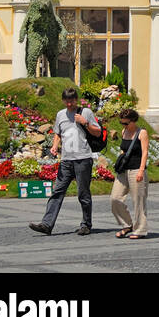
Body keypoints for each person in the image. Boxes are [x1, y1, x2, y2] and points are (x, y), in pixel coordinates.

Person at [29, 86, 98, 234]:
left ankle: (86, 224)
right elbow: (58, 133)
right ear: (63, 101)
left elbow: (97, 132)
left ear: (76, 100)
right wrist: (55, 146)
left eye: (72, 102)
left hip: (83, 159)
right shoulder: (61, 114)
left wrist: (85, 122)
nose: (69, 105)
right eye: (66, 102)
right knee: (57, 191)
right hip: (66, 160)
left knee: (83, 193)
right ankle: (47, 224)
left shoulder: (86, 112)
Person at [111, 107, 149, 239]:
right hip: (123, 171)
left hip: (136, 170)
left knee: (138, 201)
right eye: (122, 123)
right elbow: (123, 150)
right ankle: (127, 225)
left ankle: (140, 230)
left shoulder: (142, 133)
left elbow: (145, 153)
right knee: (115, 198)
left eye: (126, 123)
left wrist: (141, 171)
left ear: (133, 121)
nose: (124, 125)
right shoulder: (124, 131)